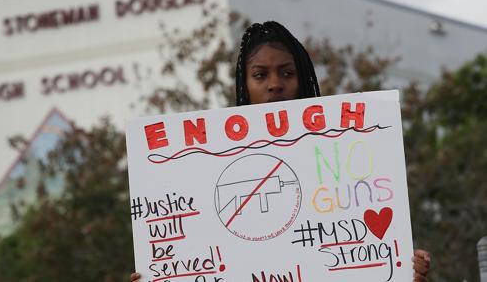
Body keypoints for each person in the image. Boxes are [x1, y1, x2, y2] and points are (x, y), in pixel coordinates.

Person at [131, 21, 430, 282]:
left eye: (287, 73)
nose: (275, 85)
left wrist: (402, 274)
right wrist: (162, 274)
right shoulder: (205, 165)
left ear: (302, 78)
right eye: (260, 75)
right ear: (244, 85)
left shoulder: (342, 148)